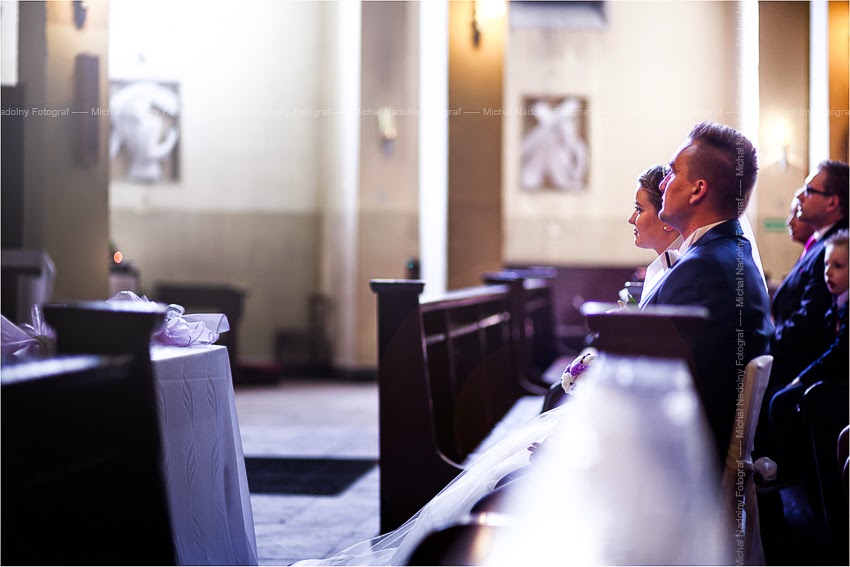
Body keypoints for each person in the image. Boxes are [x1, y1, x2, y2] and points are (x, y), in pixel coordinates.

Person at [641, 121, 774, 466]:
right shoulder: (726, 253)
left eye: (672, 172)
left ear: (698, 190)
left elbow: (663, 380)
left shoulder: (705, 269)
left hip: (679, 465)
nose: (663, 183)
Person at [762, 229, 849, 477]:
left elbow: (838, 354)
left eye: (838, 266)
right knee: (779, 394)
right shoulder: (836, 303)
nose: (828, 272)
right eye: (826, 265)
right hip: (830, 376)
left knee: (782, 400)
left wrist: (803, 377)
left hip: (839, 382)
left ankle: (786, 471)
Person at [768, 161, 849, 391]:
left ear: (832, 202)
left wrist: (767, 346)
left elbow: (811, 317)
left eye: (809, 190)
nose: (801, 196)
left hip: (800, 367)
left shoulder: (837, 246)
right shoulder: (822, 241)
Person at [627, 164, 683, 307]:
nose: (631, 219)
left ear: (667, 219)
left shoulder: (681, 273)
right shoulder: (662, 266)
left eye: (639, 209)